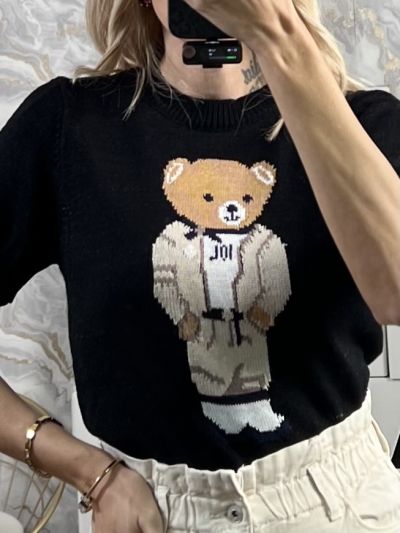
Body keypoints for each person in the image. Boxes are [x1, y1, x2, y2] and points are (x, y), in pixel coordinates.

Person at [1, 0, 400, 531]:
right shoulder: (69, 128)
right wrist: (84, 469)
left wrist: (281, 39)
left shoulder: (364, 124)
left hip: (335, 504)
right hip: (147, 510)